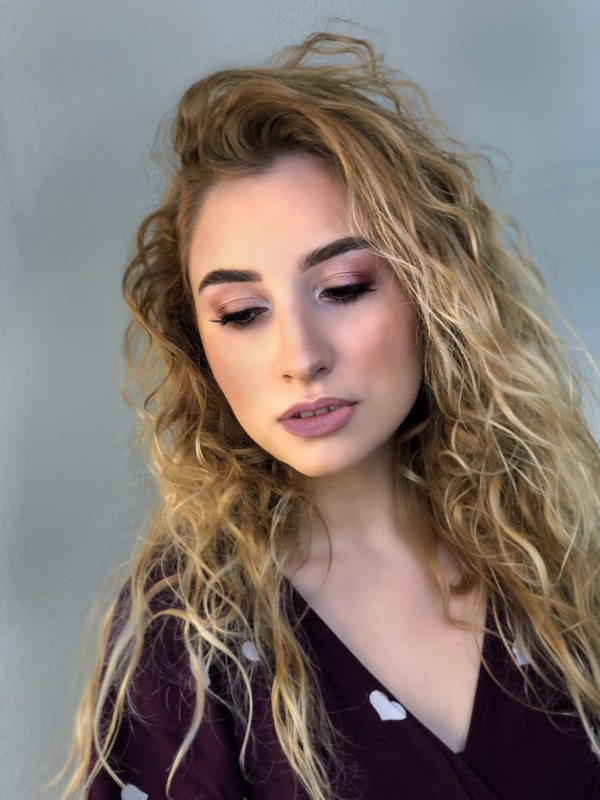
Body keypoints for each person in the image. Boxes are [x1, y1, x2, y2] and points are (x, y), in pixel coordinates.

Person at [58, 32, 600, 800]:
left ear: (434, 292)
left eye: (343, 288)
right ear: (198, 343)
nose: (300, 356)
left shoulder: (566, 551)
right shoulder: (189, 640)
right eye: (242, 312)